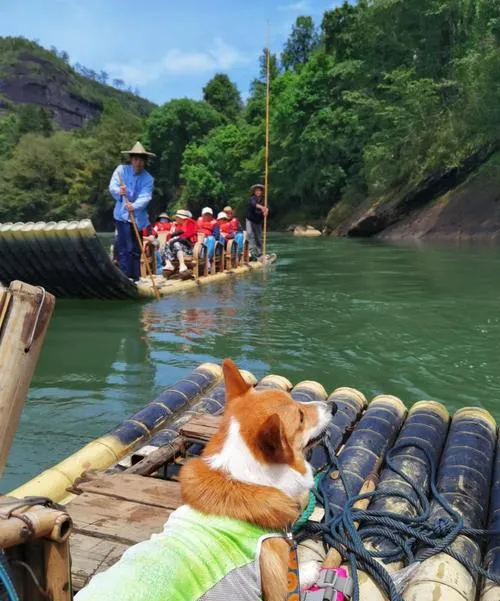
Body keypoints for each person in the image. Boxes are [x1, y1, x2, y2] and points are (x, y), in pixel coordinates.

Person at [109, 141, 155, 282]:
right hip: (122, 216)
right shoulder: (121, 170)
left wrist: (133, 206)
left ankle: (136, 277)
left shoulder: (148, 179)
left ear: (144, 161)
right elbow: (112, 187)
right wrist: (119, 191)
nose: (138, 162)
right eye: (135, 159)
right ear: (131, 159)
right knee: (125, 248)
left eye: (141, 160)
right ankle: (125, 276)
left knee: (136, 249)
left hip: (138, 217)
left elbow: (146, 197)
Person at [163, 209, 198, 278]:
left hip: (189, 247)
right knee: (166, 244)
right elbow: (168, 237)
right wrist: (172, 232)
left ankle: (182, 265)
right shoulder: (176, 225)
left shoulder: (190, 223)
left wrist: (176, 237)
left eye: (177, 217)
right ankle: (168, 264)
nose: (176, 219)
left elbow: (189, 233)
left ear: (181, 218)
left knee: (176, 243)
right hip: (176, 248)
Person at [246, 184, 268, 260]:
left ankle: (259, 253)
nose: (258, 192)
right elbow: (253, 204)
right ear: (254, 192)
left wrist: (266, 211)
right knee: (250, 234)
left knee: (258, 237)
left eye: (259, 191)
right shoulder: (252, 199)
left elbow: (267, 209)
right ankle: (251, 252)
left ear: (261, 192)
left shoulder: (264, 200)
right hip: (250, 219)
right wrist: (262, 208)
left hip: (258, 221)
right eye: (256, 191)